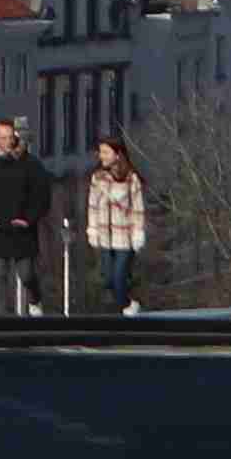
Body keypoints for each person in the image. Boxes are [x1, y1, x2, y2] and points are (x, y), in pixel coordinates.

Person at [0, 118, 53, 319]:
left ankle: (35, 299)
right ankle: (2, 321)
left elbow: (42, 195)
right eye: (3, 137)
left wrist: (29, 219)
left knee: (26, 274)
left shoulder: (30, 163)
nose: (7, 142)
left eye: (10, 137)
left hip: (22, 231)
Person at [75, 133, 151, 320]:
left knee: (118, 277)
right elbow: (92, 205)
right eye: (101, 152)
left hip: (125, 235)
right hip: (105, 235)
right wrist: (91, 228)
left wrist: (138, 232)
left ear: (117, 154)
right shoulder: (98, 177)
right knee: (108, 279)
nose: (102, 156)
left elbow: (138, 208)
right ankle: (128, 301)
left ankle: (126, 310)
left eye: (106, 152)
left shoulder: (131, 179)